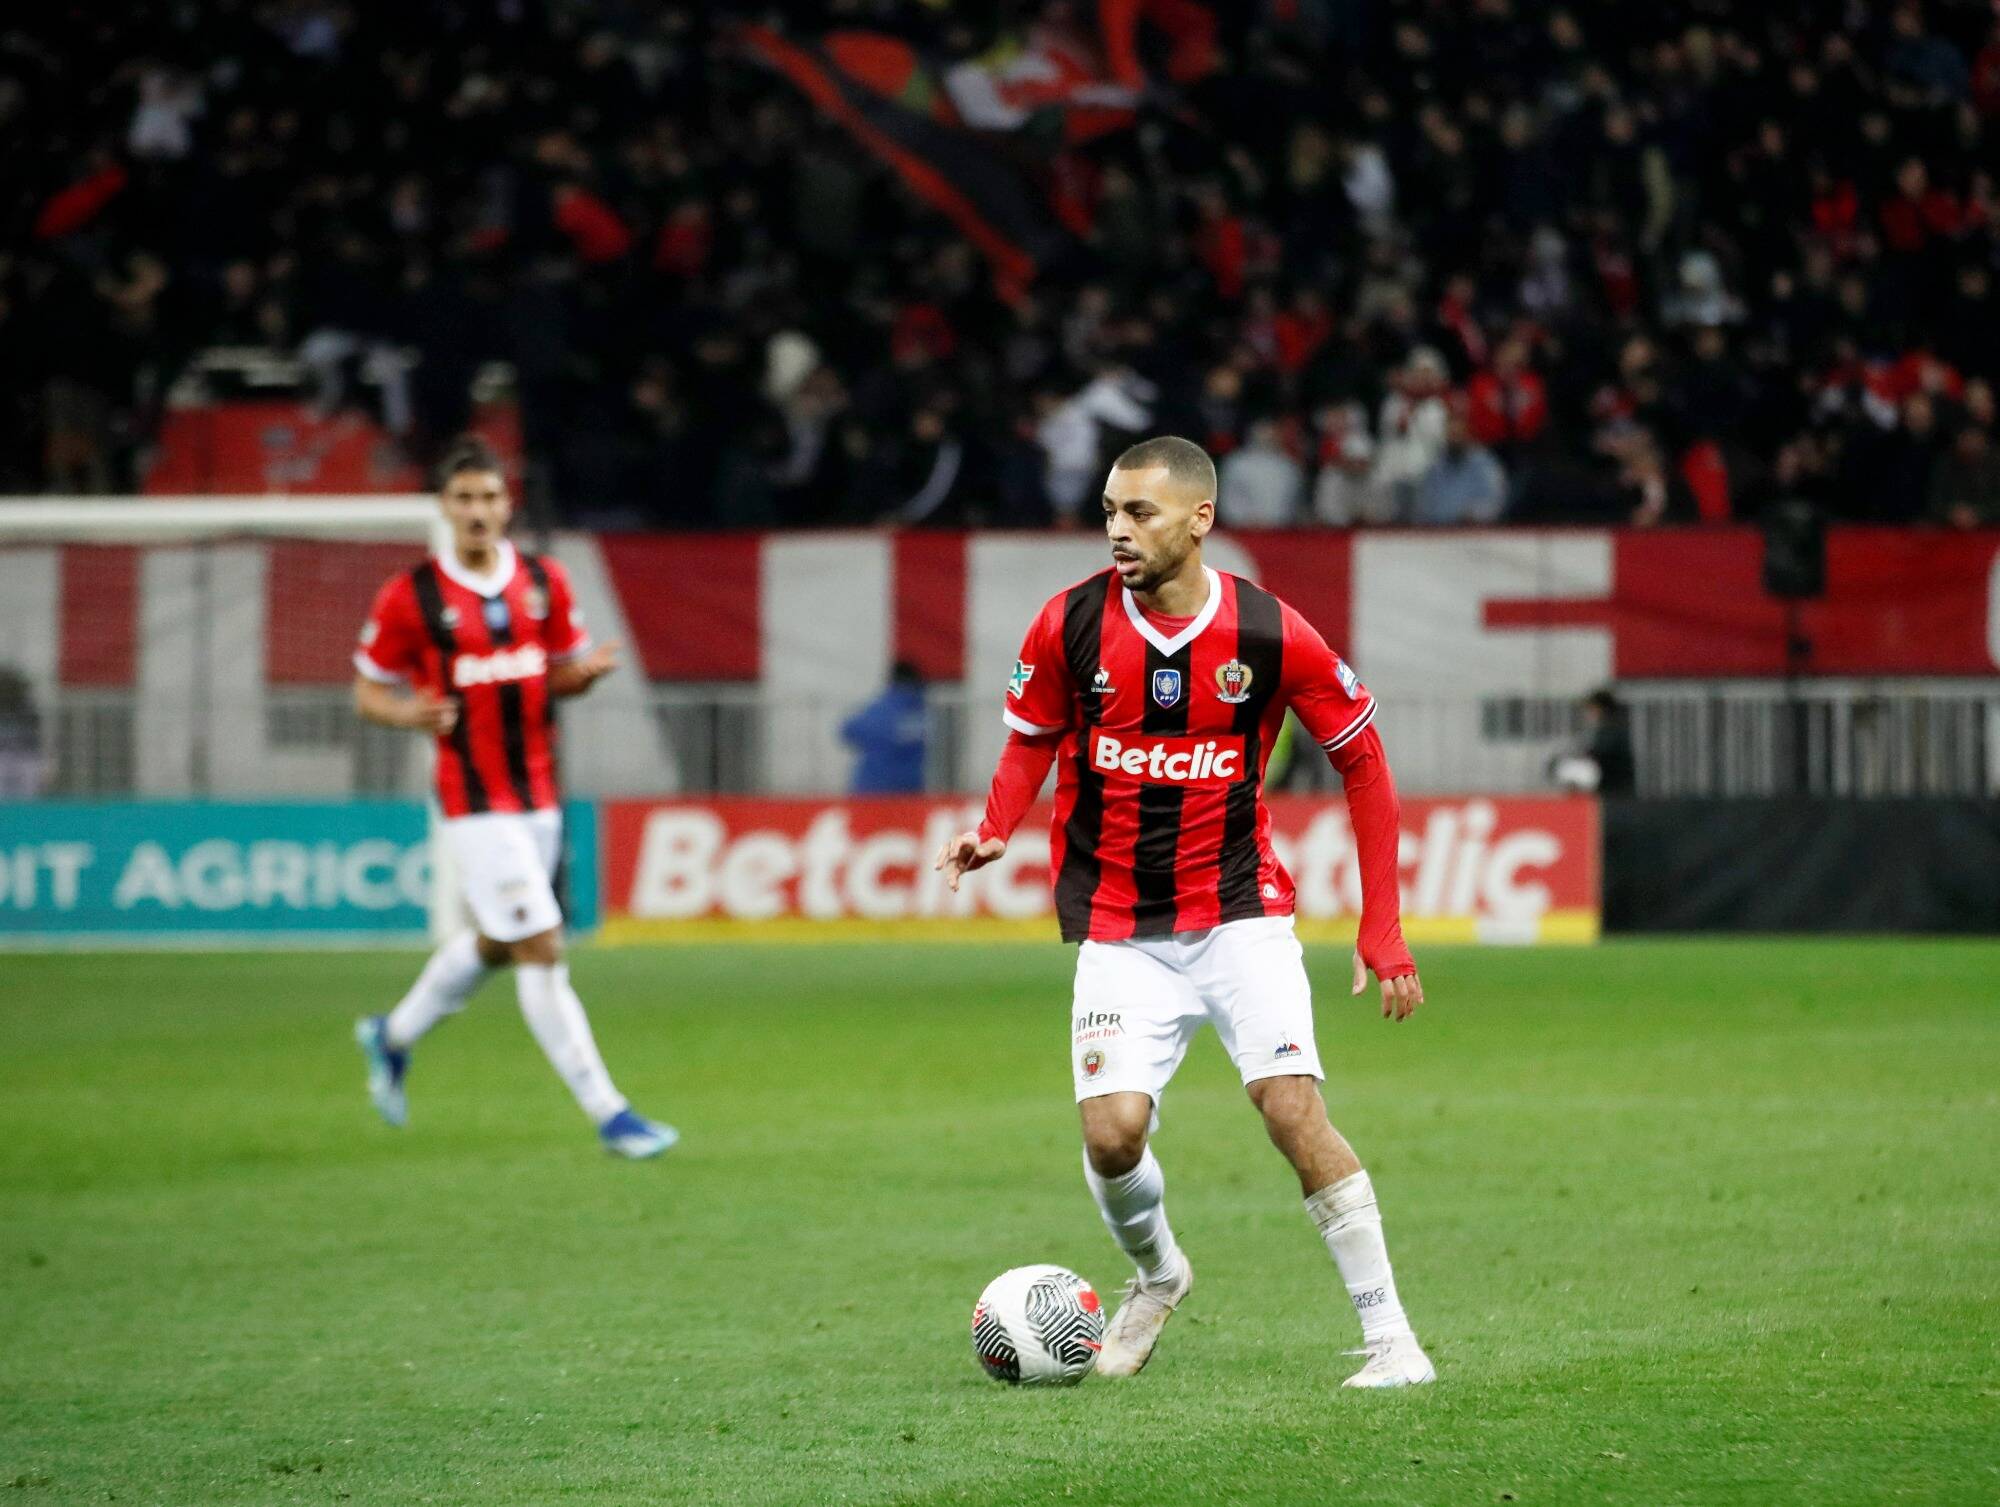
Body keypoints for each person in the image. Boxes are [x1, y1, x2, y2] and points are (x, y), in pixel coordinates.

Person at [935, 435, 1433, 1389]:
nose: (1119, 531)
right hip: (1120, 928)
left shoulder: (1269, 631)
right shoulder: (1068, 623)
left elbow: (1365, 762)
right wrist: (996, 825)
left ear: (1199, 518)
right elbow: (1030, 738)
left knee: (1292, 1107)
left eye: (1142, 513)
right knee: (1112, 1134)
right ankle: (1159, 1274)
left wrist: (1384, 926)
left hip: (1240, 914)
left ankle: (1392, 1341)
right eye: (1111, 511)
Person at [349, 437, 675, 1159]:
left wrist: (581, 676)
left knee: (502, 940)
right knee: (540, 940)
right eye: (464, 498)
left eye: (490, 497)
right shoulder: (412, 596)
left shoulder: (543, 582)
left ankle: (392, 1035)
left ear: (507, 505)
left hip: (537, 794)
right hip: (472, 800)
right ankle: (610, 1112)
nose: (478, 511)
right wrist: (408, 713)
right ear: (444, 506)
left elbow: (549, 675)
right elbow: (368, 690)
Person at [840, 661, 929, 794]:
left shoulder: (882, 709)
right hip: (911, 788)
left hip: (873, 788)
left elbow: (848, 730)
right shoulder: (924, 712)